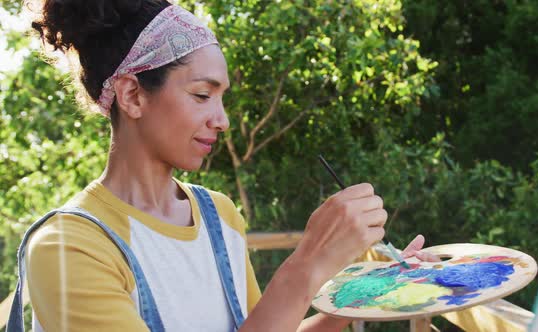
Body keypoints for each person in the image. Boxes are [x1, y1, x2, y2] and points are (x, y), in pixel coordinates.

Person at [9, 1, 437, 331]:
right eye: (201, 95)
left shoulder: (219, 215)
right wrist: (307, 263)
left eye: (222, 97)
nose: (223, 120)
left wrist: (364, 294)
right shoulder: (68, 247)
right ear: (133, 95)